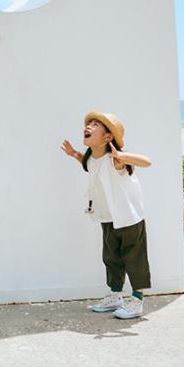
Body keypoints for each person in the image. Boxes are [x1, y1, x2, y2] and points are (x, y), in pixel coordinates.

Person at [60, 111, 153, 319]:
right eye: (89, 124)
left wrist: (122, 156)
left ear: (108, 138)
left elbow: (147, 161)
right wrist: (74, 154)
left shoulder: (115, 160)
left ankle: (137, 300)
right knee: (111, 258)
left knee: (133, 258)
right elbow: (87, 165)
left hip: (129, 217)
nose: (89, 126)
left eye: (96, 125)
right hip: (108, 217)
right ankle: (115, 295)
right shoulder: (92, 158)